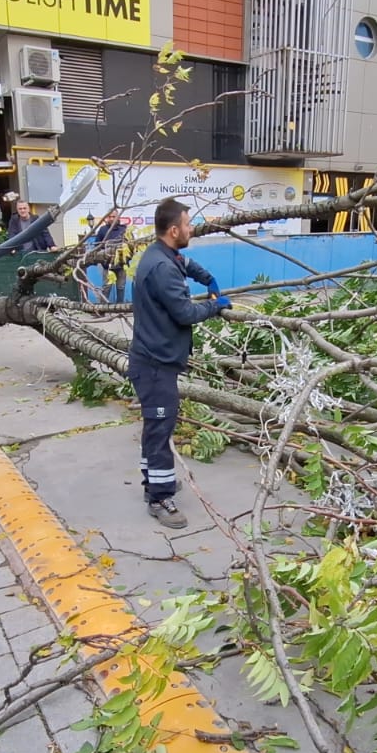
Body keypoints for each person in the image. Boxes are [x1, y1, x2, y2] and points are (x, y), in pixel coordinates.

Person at [128, 198, 230, 528]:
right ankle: (159, 498)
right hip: (155, 366)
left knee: (155, 429)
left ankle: (156, 483)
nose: (191, 229)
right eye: (187, 224)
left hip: (156, 362)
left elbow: (186, 264)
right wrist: (216, 306)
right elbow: (185, 313)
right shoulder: (161, 268)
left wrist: (208, 279)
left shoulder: (164, 255)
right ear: (174, 230)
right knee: (159, 431)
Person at [86, 210, 130, 303]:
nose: (111, 218)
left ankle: (120, 308)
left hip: (121, 265)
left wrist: (126, 260)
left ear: (118, 217)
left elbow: (131, 248)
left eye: (114, 216)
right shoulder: (102, 230)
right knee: (106, 287)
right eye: (110, 217)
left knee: (121, 287)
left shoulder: (124, 229)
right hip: (107, 266)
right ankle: (103, 309)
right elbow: (96, 248)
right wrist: (103, 259)